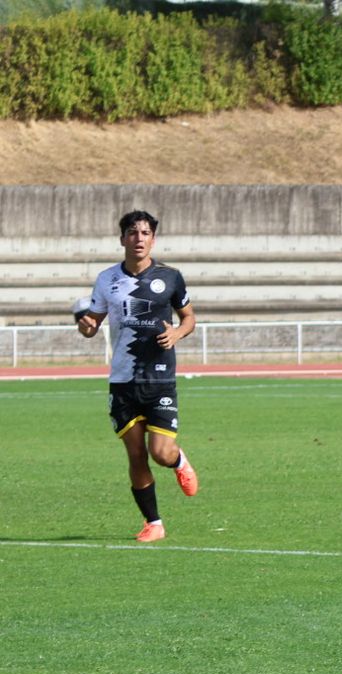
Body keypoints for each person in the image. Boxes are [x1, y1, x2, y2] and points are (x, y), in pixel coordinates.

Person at [76, 210, 199, 542]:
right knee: (135, 454)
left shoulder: (170, 277)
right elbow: (91, 324)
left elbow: (189, 318)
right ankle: (154, 523)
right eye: (133, 233)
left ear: (153, 239)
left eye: (145, 233)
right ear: (122, 239)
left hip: (159, 377)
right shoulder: (106, 280)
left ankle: (179, 461)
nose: (139, 238)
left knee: (160, 452)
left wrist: (177, 333)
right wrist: (85, 325)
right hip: (122, 380)